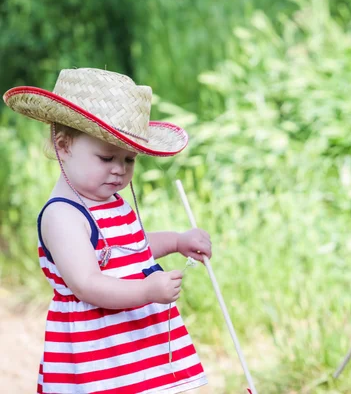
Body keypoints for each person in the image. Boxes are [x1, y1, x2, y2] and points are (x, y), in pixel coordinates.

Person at [3, 68, 212, 393]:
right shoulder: (63, 215)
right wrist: (146, 292)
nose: (119, 170)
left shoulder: (110, 201)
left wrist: (176, 241)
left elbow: (129, 250)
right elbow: (87, 284)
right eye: (106, 157)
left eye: (129, 160)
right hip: (98, 353)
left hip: (132, 343)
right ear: (63, 144)